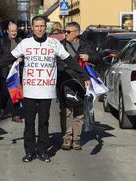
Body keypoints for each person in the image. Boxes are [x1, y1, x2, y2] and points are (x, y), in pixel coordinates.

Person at [0, 16, 89, 162]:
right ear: (32, 27)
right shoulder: (25, 43)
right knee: (29, 122)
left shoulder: (54, 44)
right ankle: (29, 151)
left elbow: (69, 60)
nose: (39, 28)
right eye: (36, 26)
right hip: (30, 90)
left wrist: (85, 75)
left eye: (42, 26)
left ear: (45, 27)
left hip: (46, 90)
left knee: (44, 122)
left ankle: (43, 150)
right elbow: (7, 59)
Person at [59, 21, 100, 150]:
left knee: (79, 112)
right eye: (65, 31)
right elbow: (55, 61)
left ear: (76, 33)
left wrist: (89, 57)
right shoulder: (60, 45)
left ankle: (76, 139)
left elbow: (99, 58)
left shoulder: (86, 45)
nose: (65, 34)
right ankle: (67, 138)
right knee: (65, 111)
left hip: (81, 82)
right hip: (65, 81)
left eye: (68, 32)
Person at [0, 22, 22, 123]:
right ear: (7, 31)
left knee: (15, 93)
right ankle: (2, 110)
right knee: (5, 94)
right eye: (12, 31)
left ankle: (15, 115)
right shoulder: (1, 41)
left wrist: (22, 59)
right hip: (4, 71)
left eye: (15, 31)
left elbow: (25, 54)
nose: (14, 33)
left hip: (16, 73)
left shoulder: (20, 42)